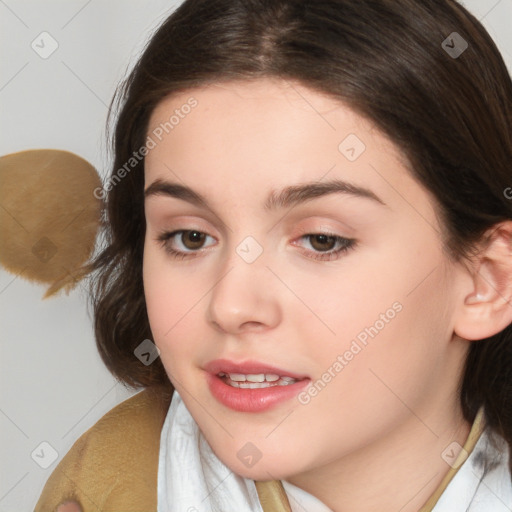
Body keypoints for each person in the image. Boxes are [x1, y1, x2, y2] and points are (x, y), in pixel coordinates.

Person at [35, 0, 512, 510]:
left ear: (487, 281)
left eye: (321, 240)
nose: (231, 306)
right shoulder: (104, 489)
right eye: (190, 237)